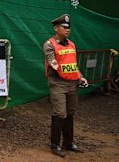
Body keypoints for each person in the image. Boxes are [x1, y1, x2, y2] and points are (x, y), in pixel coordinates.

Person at [43, 14, 88, 157]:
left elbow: (73, 65)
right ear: (56, 28)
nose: (68, 30)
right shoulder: (49, 44)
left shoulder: (72, 44)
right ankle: (54, 145)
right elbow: (51, 60)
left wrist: (80, 77)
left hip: (72, 83)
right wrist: (55, 65)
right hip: (57, 83)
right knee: (60, 113)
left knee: (70, 113)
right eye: (64, 27)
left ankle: (68, 143)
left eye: (69, 27)